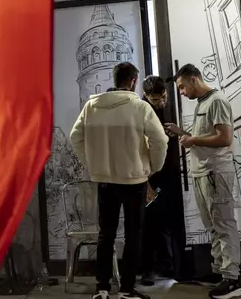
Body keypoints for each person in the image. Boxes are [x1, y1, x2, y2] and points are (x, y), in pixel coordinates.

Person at [70, 62, 168, 299]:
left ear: (114, 80)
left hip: (104, 180)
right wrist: (153, 167)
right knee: (134, 234)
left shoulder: (91, 106)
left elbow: (75, 138)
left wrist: (93, 165)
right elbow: (161, 141)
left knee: (107, 234)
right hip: (134, 179)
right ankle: (126, 289)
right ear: (133, 81)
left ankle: (102, 288)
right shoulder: (140, 107)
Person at [164, 64, 241, 299]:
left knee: (223, 224)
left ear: (193, 79)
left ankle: (232, 279)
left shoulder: (217, 100)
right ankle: (222, 273)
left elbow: (224, 138)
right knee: (213, 226)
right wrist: (182, 133)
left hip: (215, 173)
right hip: (203, 173)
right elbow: (203, 135)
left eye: (181, 87)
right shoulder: (203, 103)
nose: (181, 92)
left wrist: (192, 139)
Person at [139, 76, 175, 286]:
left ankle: (167, 264)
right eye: (157, 99)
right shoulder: (142, 110)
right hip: (150, 175)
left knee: (164, 222)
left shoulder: (170, 109)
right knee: (149, 224)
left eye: (164, 96)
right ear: (146, 96)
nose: (162, 101)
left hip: (169, 174)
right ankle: (147, 269)